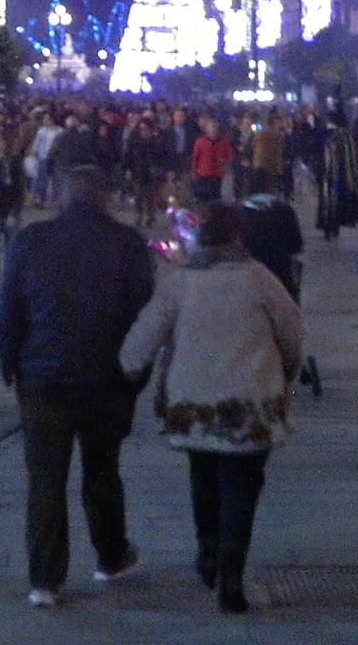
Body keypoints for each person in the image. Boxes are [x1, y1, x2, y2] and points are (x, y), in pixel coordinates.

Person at [119, 201, 304, 614]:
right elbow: (292, 332)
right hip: (252, 406)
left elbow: (143, 338)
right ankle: (232, 577)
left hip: (193, 407)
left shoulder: (180, 283)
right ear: (239, 237)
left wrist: (128, 369)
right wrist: (285, 376)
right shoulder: (261, 280)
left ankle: (209, 556)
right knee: (242, 487)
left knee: (203, 478)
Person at [0, 165, 154, 609]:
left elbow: (10, 309)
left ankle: (45, 579)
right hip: (106, 379)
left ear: (61, 197)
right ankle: (111, 557)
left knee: (46, 478)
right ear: (105, 198)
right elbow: (142, 316)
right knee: (102, 470)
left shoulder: (31, 240)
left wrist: (10, 363)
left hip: (43, 379)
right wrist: (136, 375)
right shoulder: (127, 244)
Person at [190, 116, 235, 207]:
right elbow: (195, 158)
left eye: (215, 127)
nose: (213, 129)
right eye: (211, 127)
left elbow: (229, 156)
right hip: (203, 174)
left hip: (217, 175)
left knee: (215, 199)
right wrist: (194, 171)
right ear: (206, 129)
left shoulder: (223, 141)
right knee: (202, 198)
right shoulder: (200, 142)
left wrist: (223, 162)